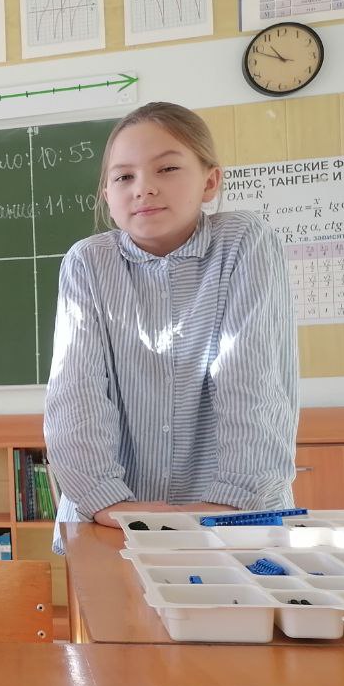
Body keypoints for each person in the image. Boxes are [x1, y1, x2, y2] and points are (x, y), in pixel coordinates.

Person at [43, 101, 298, 544]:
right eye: (124, 177)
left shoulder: (244, 242)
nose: (144, 188)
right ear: (106, 195)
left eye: (167, 169)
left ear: (210, 181)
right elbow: (76, 395)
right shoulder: (88, 262)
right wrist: (106, 501)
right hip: (109, 519)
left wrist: (231, 503)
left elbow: (252, 381)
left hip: (232, 516)